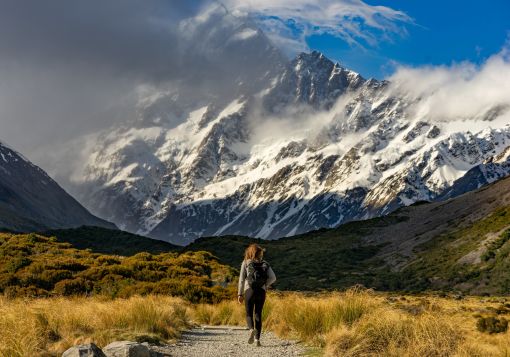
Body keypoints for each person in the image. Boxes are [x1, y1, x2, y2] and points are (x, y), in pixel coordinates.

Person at [237, 243, 276, 347]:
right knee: (258, 314)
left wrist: (239, 294)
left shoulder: (246, 262)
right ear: (259, 253)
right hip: (261, 291)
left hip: (249, 290)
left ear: (250, 252)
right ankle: (257, 340)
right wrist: (264, 284)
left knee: (249, 313)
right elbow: (273, 278)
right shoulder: (265, 264)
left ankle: (251, 329)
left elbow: (241, 279)